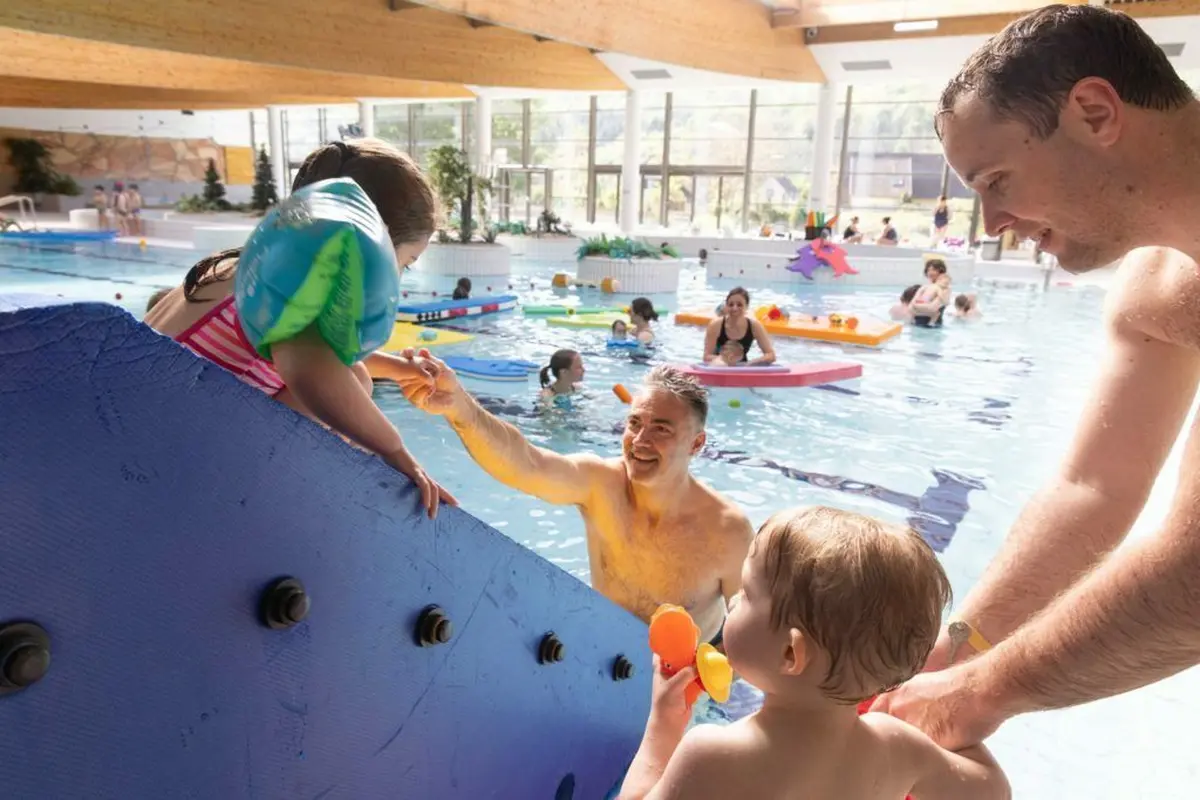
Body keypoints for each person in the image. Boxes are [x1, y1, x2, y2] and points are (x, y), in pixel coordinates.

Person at [873, 4, 1200, 753]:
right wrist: (954, 653)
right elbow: (1093, 488)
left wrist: (979, 693)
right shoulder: (1157, 287)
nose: (991, 223)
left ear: (1094, 113)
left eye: (997, 180)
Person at [144, 138, 454, 518]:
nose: (399, 278)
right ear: (370, 242)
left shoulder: (254, 271)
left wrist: (398, 368)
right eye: (405, 263)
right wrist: (396, 452)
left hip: (151, 425)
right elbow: (311, 372)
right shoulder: (292, 294)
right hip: (175, 463)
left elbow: (313, 350)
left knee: (353, 374)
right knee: (351, 385)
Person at [619, 506, 1010, 800]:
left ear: (791, 654)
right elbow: (992, 792)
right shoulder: (897, 749)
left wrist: (662, 727)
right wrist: (958, 713)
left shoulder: (713, 756)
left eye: (748, 593)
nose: (733, 600)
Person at [402, 361, 754, 642]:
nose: (640, 441)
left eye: (661, 429)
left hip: (686, 675)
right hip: (605, 654)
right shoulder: (601, 484)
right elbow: (528, 464)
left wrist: (703, 682)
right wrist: (460, 407)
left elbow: (753, 628)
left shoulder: (727, 530)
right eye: (635, 423)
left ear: (696, 444)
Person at [703, 288, 775, 365]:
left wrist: (752, 363)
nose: (734, 308)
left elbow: (771, 355)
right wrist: (726, 360)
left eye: (739, 305)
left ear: (746, 307)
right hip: (718, 366)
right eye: (731, 305)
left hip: (743, 367)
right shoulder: (716, 325)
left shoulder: (754, 326)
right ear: (726, 306)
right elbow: (707, 356)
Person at [911, 263, 950, 327]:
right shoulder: (929, 287)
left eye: (933, 270)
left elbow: (931, 308)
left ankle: (929, 322)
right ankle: (931, 322)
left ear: (940, 272)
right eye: (928, 270)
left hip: (931, 326)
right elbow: (910, 309)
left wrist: (915, 307)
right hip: (919, 323)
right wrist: (945, 302)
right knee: (936, 314)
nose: (930, 272)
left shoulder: (945, 289)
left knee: (935, 313)